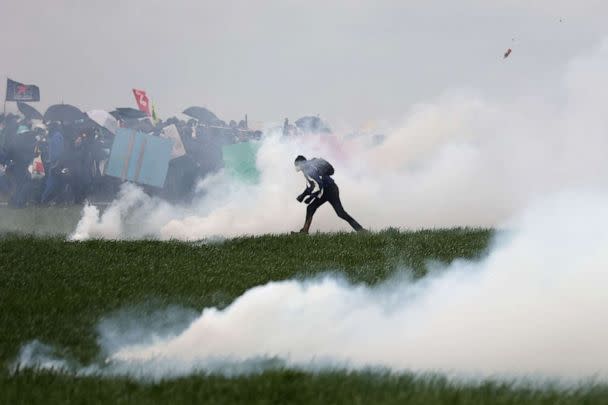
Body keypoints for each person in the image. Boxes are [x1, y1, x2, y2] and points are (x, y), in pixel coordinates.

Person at [294, 155, 365, 234]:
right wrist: (303, 195)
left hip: (330, 190)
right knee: (311, 208)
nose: (296, 167)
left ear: (301, 163)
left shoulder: (307, 169)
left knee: (340, 213)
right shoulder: (309, 166)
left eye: (296, 165)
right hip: (328, 189)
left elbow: (318, 184)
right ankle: (305, 230)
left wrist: (310, 197)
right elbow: (312, 185)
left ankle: (361, 230)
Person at [40, 122, 65, 204]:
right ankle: (48, 199)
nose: (48, 128)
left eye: (49, 127)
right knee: (54, 181)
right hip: (54, 162)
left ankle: (44, 199)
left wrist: (54, 162)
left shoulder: (56, 136)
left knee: (51, 182)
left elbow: (57, 152)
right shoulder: (55, 135)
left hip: (55, 162)